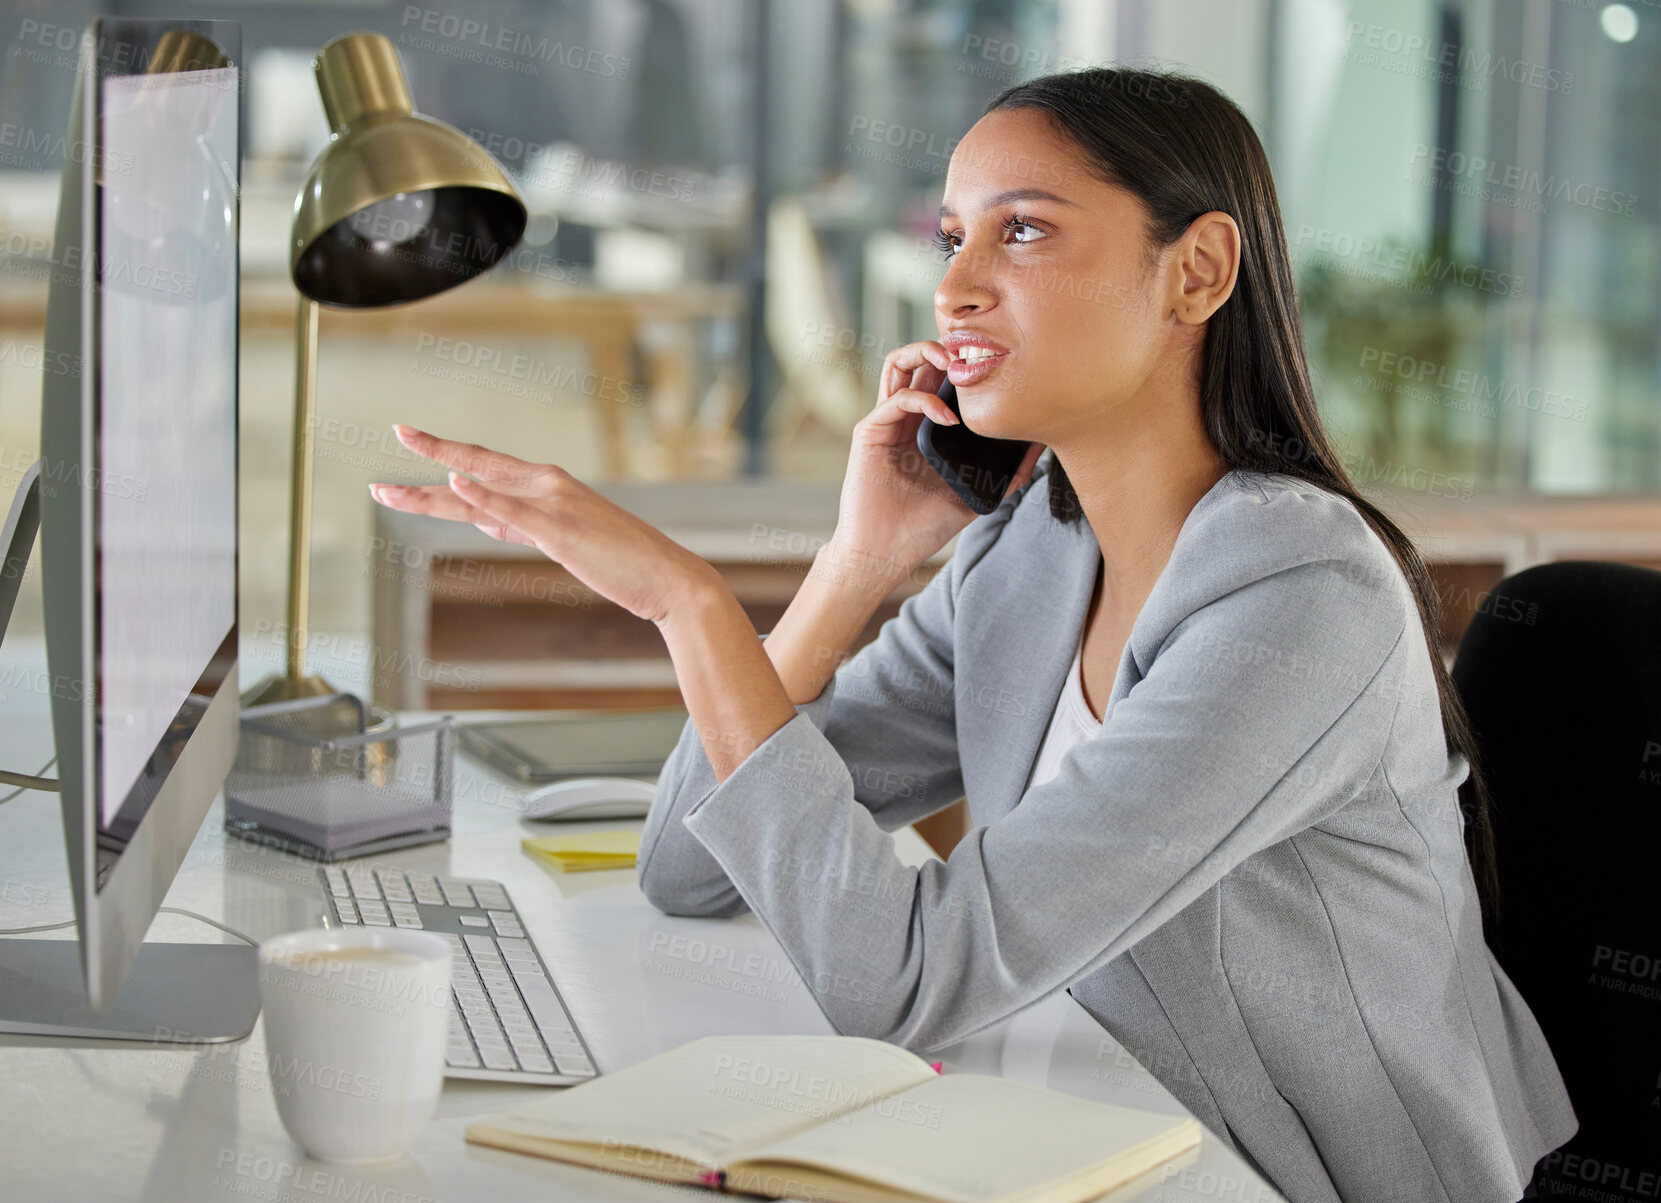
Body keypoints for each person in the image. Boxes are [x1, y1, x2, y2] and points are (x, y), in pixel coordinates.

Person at [371, 66, 1576, 1203]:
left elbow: (903, 986)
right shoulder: (1027, 553)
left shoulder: (1301, 603)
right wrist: (853, 571)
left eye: (1025, 230)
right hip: (1103, 1115)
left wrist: (688, 606)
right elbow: (691, 867)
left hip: (1290, 1174)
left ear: (1196, 271)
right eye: (953, 236)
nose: (952, 286)